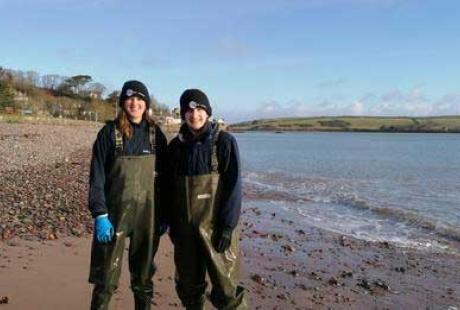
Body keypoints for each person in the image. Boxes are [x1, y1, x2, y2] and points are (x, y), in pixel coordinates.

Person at [87, 80, 167, 310]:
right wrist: (99, 213)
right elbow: (97, 177)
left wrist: (165, 214)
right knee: (105, 280)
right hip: (114, 216)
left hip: (148, 217)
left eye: (140, 99)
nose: (135, 103)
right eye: (130, 98)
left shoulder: (155, 135)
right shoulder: (108, 133)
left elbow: (166, 178)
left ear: (146, 104)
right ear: (123, 102)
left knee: (143, 279)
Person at [166, 89, 247, 309]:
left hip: (216, 229)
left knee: (227, 290)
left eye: (200, 109)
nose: (195, 115)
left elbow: (233, 186)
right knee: (188, 289)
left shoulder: (224, 142)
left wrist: (227, 227)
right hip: (185, 232)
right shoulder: (175, 148)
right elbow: (170, 190)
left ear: (208, 112)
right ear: (183, 114)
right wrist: (172, 226)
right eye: (189, 111)